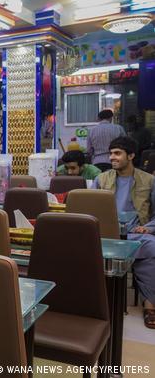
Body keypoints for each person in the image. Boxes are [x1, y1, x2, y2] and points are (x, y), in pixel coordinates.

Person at [91, 137, 155, 329]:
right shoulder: (101, 179)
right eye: (111, 153)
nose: (112, 157)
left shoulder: (149, 181)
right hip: (105, 233)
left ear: (131, 155)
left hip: (135, 233)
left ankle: (150, 304)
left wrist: (149, 227)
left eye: (117, 153)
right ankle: (95, 302)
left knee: (152, 247)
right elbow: (90, 207)